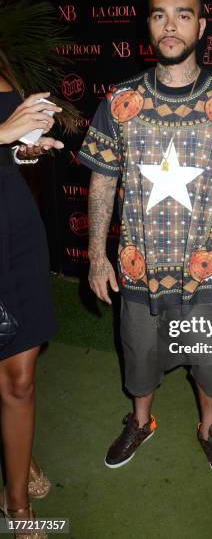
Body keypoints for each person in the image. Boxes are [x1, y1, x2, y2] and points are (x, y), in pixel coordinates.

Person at [78, 0, 212, 481]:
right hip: (138, 268)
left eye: (183, 14)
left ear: (200, 25)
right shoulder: (119, 102)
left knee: (211, 363)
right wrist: (97, 256)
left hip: (208, 270)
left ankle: (209, 429)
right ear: (148, 24)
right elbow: (101, 185)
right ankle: (142, 423)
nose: (170, 25)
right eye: (160, 14)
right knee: (139, 355)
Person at [0, 49, 63, 537]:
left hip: (15, 227)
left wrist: (25, 147)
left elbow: (8, 151)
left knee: (20, 377)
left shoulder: (4, 60)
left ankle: (15, 499)